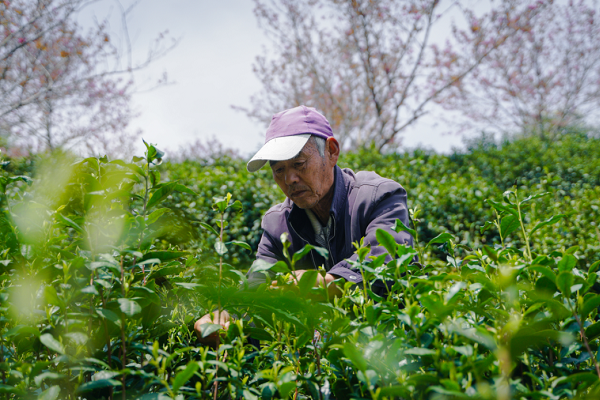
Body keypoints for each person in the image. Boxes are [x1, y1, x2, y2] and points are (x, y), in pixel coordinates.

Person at [194, 105, 413, 343]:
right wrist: (226, 316)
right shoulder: (277, 224)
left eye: (299, 164)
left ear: (331, 151)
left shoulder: (378, 196)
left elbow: (388, 268)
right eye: (279, 170)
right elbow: (255, 293)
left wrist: (317, 284)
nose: (290, 179)